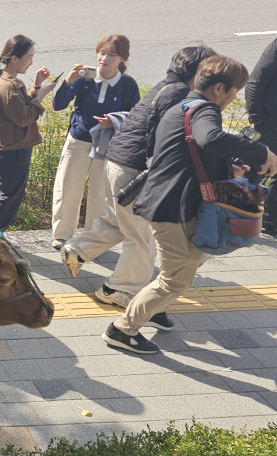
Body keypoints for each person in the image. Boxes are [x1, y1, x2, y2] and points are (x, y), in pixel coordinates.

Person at [103, 56, 277, 354]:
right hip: (172, 209)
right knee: (175, 281)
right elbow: (209, 138)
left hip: (171, 203)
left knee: (196, 257)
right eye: (234, 92)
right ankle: (122, 329)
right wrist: (260, 151)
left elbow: (187, 154)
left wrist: (227, 166)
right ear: (219, 89)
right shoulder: (205, 109)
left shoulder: (183, 107)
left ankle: (153, 306)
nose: (234, 98)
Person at [61, 46, 216, 312]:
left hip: (119, 160)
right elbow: (166, 135)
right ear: (198, 72)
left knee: (122, 221)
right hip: (135, 168)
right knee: (141, 234)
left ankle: (77, 249)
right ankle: (118, 289)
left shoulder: (166, 86)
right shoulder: (180, 93)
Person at [50, 35, 140, 250]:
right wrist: (68, 81)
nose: (104, 58)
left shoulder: (127, 84)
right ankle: (62, 235)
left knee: (100, 194)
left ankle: (92, 240)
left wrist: (114, 120)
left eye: (112, 54)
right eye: (102, 52)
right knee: (67, 187)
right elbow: (58, 105)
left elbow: (137, 116)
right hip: (78, 140)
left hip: (108, 145)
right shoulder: (85, 78)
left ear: (122, 58)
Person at [0, 35, 57, 230]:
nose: (31, 62)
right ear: (14, 58)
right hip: (14, 150)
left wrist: (38, 85)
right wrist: (40, 97)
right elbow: (24, 118)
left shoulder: (8, 81)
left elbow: (20, 108)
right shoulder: (9, 85)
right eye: (28, 57)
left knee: (1, 194)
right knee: (8, 199)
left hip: (9, 149)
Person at [244, 37, 277, 235]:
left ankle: (270, 221)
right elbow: (256, 82)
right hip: (270, 124)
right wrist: (258, 120)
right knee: (258, 171)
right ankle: (235, 214)